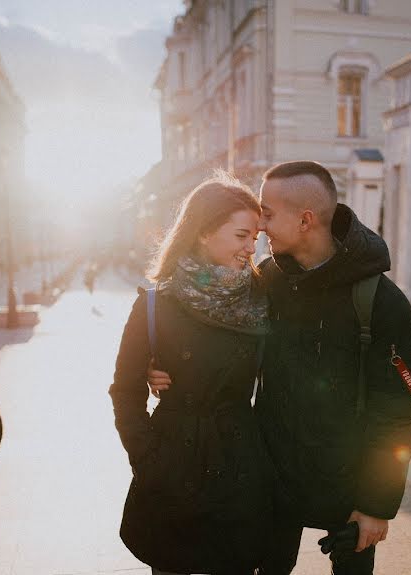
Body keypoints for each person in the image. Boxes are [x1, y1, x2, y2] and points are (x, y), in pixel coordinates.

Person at [149, 161, 411, 574]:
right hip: (271, 481)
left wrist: (375, 505)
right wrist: (160, 366)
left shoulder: (380, 302)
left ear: (306, 219)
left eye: (268, 212)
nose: (260, 222)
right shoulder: (268, 280)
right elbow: (214, 338)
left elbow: (396, 412)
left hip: (348, 486)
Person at [109, 172, 274, 575]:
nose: (251, 248)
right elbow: (124, 391)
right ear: (202, 232)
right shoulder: (154, 305)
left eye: (255, 237)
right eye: (241, 236)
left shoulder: (265, 295)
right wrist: (147, 458)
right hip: (172, 461)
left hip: (238, 462)